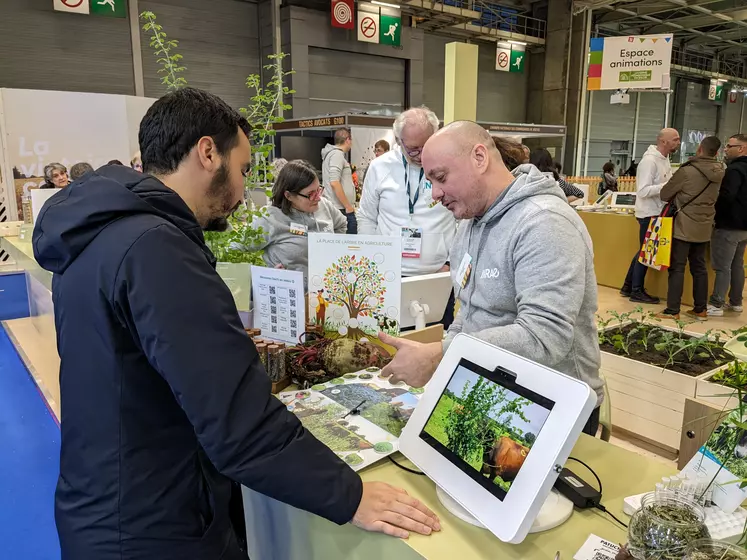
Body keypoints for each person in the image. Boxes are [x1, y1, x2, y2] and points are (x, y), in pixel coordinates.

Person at [32, 88, 439, 559]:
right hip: (156, 527)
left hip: (107, 503)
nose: (244, 190)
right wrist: (351, 495)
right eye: (244, 169)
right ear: (208, 153)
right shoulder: (157, 250)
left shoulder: (98, 233)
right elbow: (237, 422)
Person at [376, 121, 604, 435]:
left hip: (551, 412)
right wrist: (444, 355)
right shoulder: (469, 223)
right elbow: (467, 313)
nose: (435, 194)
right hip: (491, 393)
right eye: (429, 181)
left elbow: (545, 336)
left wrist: (441, 353)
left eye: (440, 178)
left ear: (480, 158)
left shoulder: (545, 223)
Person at [358, 107, 457, 327]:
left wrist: (451, 263)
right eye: (413, 149)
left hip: (437, 275)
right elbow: (366, 217)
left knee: (436, 344)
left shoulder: (450, 165)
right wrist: (374, 263)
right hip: (390, 277)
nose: (421, 156)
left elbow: (464, 218)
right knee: (391, 344)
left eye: (426, 146)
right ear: (398, 140)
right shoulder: (379, 167)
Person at [235, 160, 347, 282]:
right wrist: (265, 274)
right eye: (310, 194)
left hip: (324, 288)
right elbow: (235, 249)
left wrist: (333, 249)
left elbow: (341, 224)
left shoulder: (324, 206)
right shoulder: (270, 217)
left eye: (318, 190)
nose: (318, 198)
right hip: (290, 292)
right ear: (289, 196)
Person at [657, 136, 724, 320]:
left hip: (683, 225)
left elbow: (665, 194)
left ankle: (672, 310)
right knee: (699, 267)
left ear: (700, 149)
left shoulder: (687, 171)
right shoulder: (720, 171)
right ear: (716, 153)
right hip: (704, 227)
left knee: (677, 268)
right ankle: (700, 309)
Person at [620, 128, 681, 304]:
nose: (678, 142)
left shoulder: (665, 159)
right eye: (675, 139)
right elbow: (643, 190)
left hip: (658, 212)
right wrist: (668, 186)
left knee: (643, 250)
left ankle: (628, 285)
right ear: (664, 141)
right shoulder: (649, 161)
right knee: (646, 252)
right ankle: (636, 291)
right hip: (649, 213)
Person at [708, 134, 747, 317]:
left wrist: (716, 213)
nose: (725, 149)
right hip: (744, 227)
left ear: (741, 148)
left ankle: (717, 303)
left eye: (729, 146)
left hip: (729, 224)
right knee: (738, 264)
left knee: (723, 266)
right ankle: (736, 301)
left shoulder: (734, 170)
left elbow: (726, 196)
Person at [322, 127, 357, 233]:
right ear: (347, 140)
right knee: (350, 245)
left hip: (339, 208)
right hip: (341, 209)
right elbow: (334, 182)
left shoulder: (332, 155)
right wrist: (348, 206)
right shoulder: (337, 155)